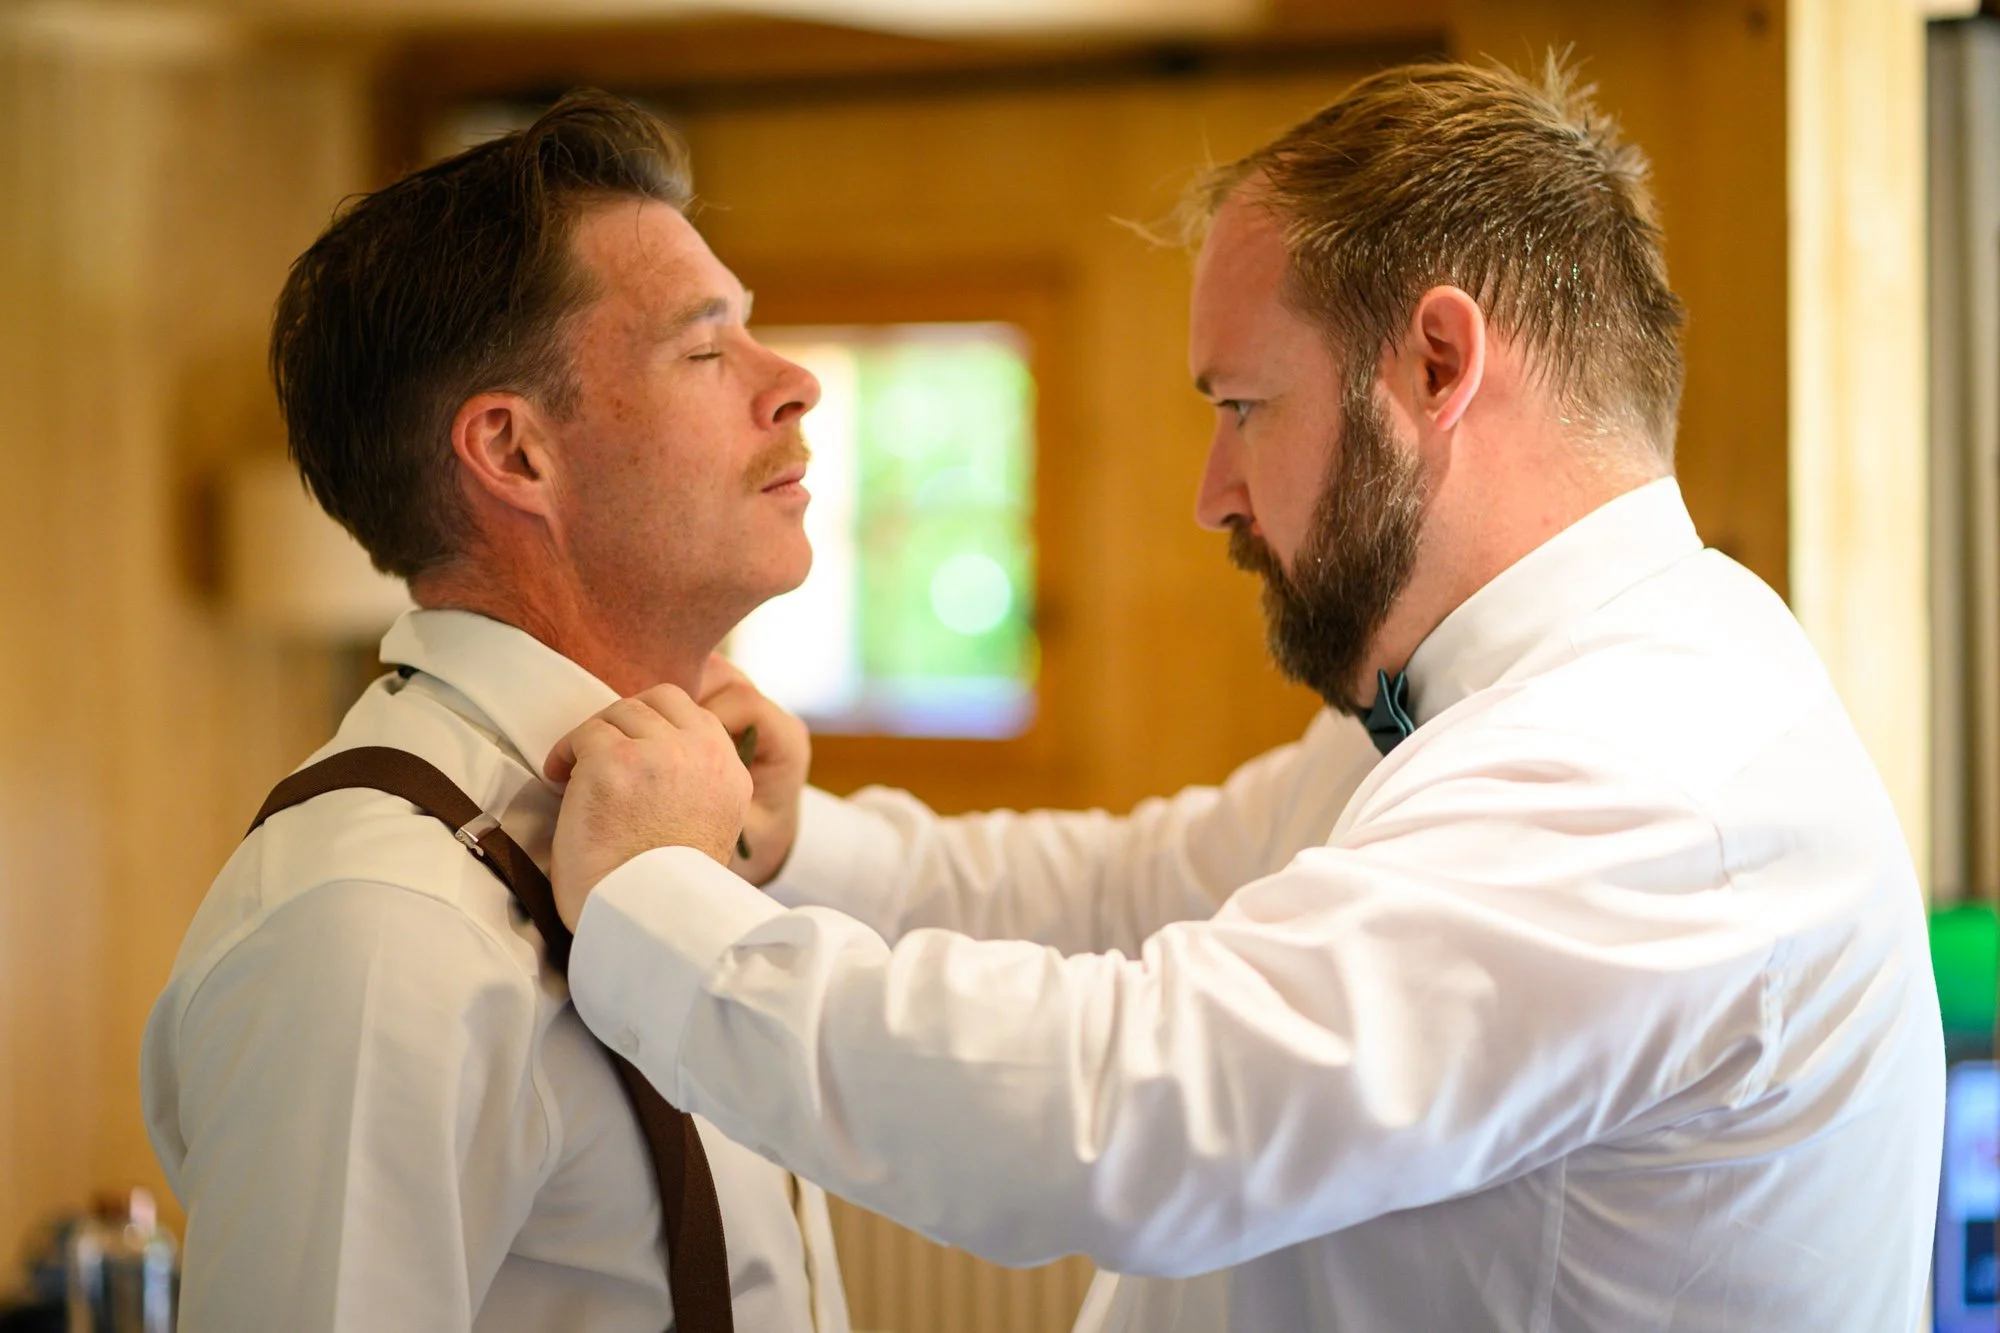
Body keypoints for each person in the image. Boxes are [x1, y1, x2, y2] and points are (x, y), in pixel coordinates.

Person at [536, 59, 1946, 1333]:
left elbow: (1132, 1116)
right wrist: (784, 846)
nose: (1215, 494)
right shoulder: (1492, 704)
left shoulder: (1638, 774)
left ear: (1437, 366)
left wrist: (658, 909)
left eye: (1242, 408)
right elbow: (1137, 892)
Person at [139, 92, 848, 1332]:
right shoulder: (371, 928)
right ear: (515, 454)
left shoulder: (688, 825)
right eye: (704, 350)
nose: (793, 384)